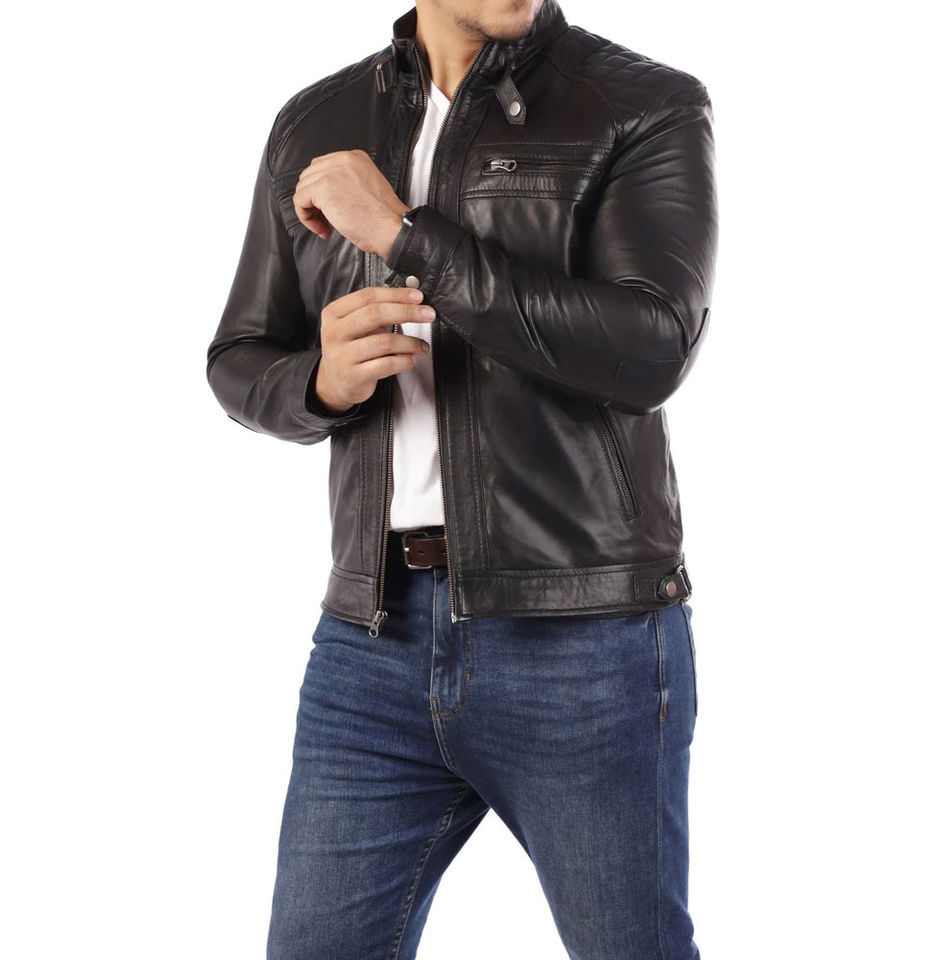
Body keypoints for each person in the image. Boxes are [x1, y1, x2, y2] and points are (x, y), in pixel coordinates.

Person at [206, 0, 717, 956]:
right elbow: (238, 356)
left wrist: (408, 237)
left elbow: (653, 347)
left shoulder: (642, 104)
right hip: (370, 641)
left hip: (587, 638)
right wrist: (318, 382)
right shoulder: (317, 122)